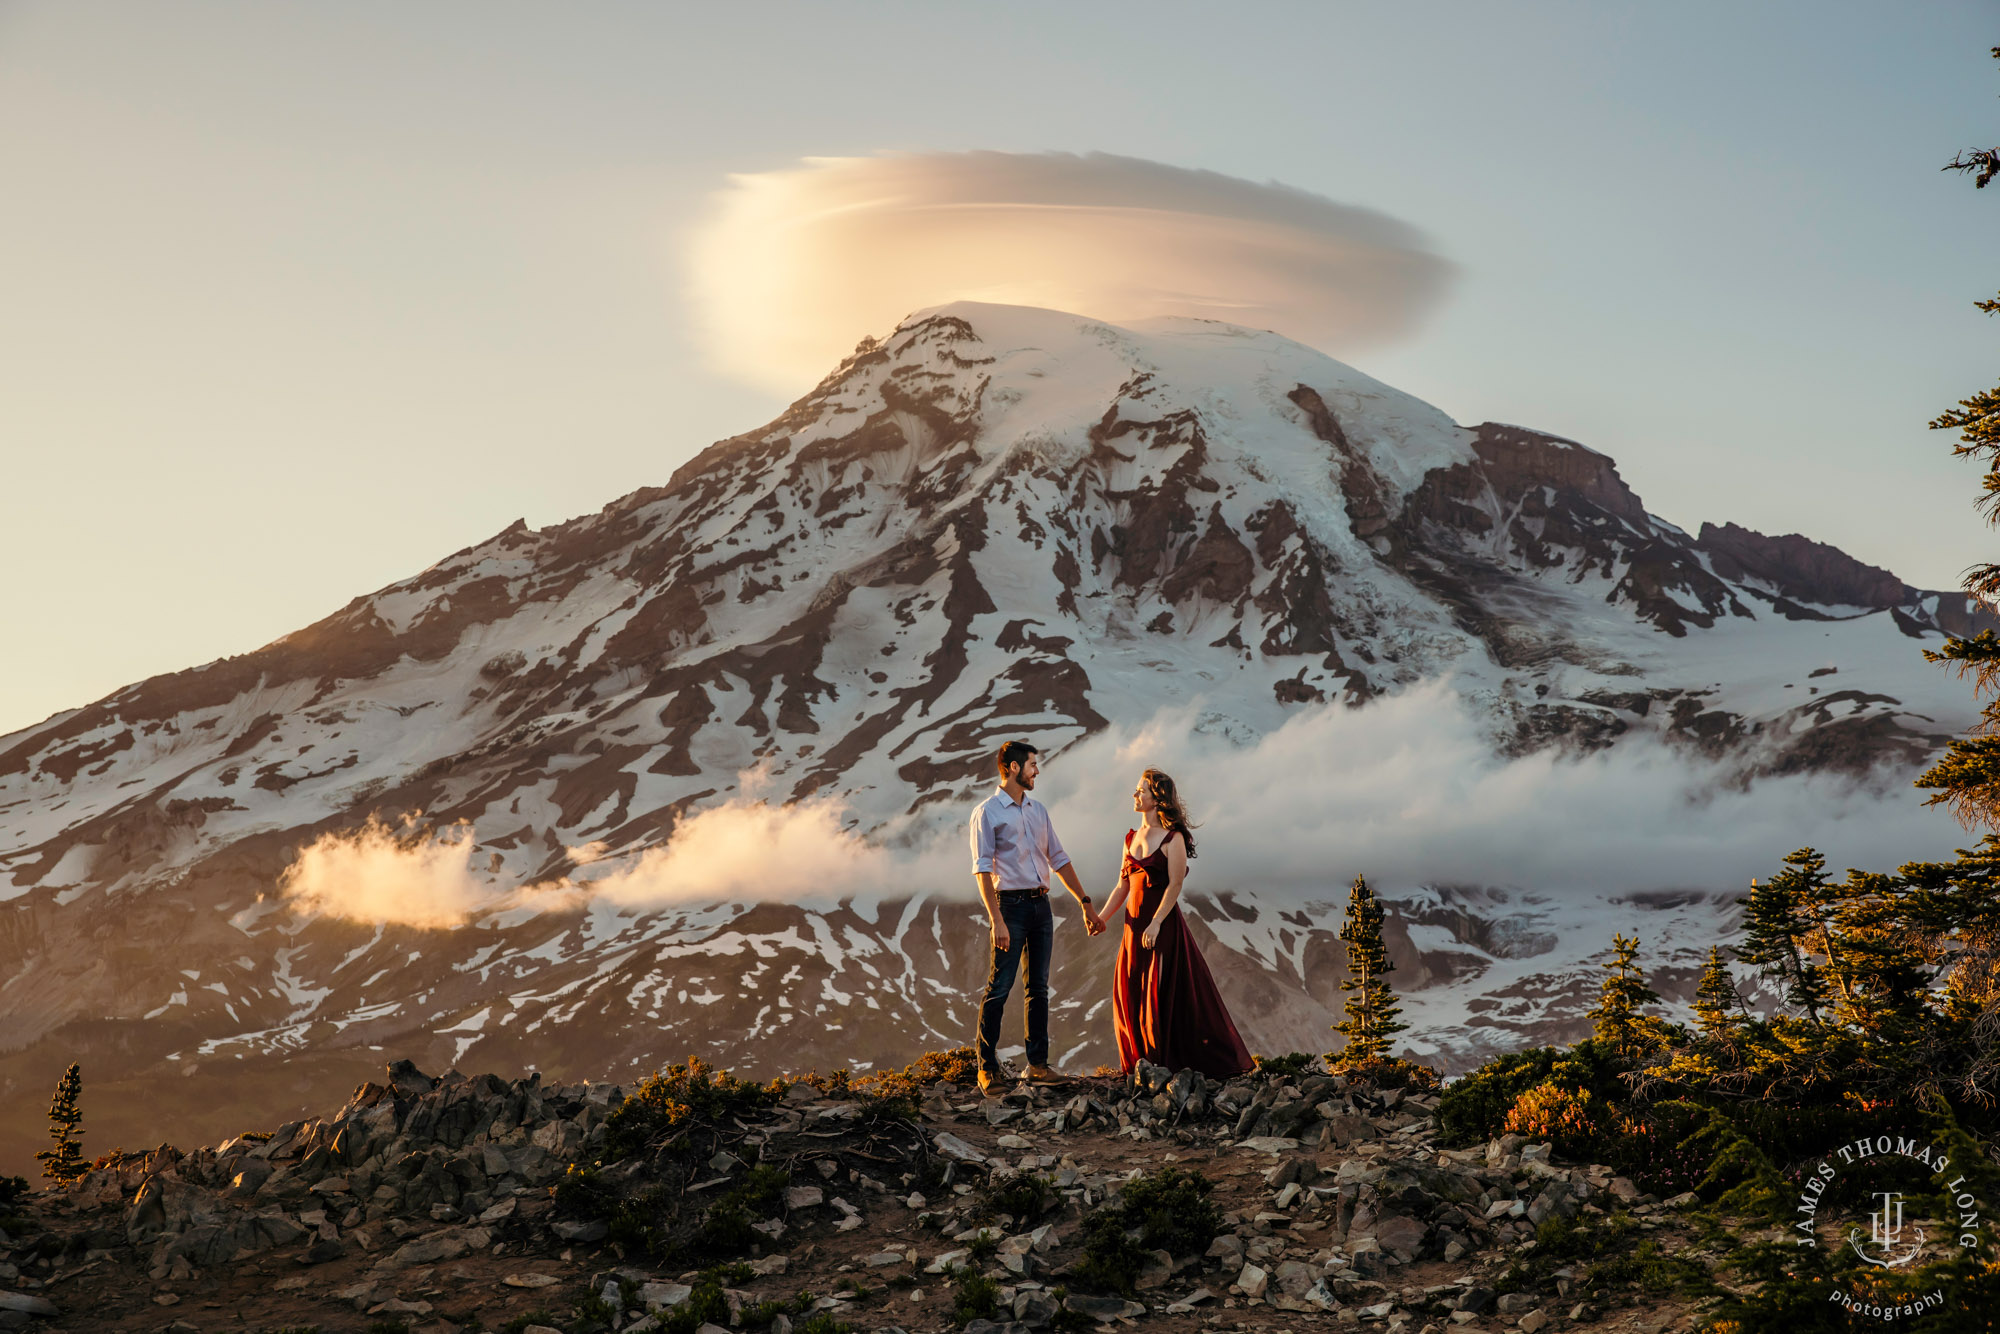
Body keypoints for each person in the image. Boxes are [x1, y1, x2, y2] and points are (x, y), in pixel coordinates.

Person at [970, 740, 1105, 1095]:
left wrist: (1085, 903)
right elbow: (982, 871)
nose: (1036, 770)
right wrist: (996, 919)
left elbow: (1058, 858)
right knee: (999, 988)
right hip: (1009, 907)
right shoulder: (987, 812)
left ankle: (1038, 1066)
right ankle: (987, 1070)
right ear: (1013, 768)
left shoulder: (1038, 810)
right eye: (1032, 764)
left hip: (1041, 906)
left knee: (1038, 989)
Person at [1104, 768, 1254, 1079]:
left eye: (1140, 790)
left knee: (1161, 994)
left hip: (1163, 929)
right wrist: (1101, 918)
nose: (1135, 795)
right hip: (1133, 930)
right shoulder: (1130, 838)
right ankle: (1139, 1066)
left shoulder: (1174, 840)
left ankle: (1164, 1067)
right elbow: (1122, 885)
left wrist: (1157, 922)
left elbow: (1174, 885)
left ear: (1156, 799)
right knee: (1131, 991)